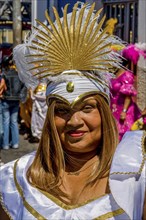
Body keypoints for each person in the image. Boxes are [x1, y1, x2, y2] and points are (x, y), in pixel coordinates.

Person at [0, 3, 145, 220]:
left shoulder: (134, 176)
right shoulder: (14, 180)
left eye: (87, 108)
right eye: (62, 110)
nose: (74, 121)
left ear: (104, 114)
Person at [110, 58, 141, 140]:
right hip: (113, 108)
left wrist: (124, 111)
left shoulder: (127, 75)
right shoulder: (113, 74)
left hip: (124, 109)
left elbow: (128, 95)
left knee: (124, 132)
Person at [1, 56, 27, 149]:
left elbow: (2, 86)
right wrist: (21, 96)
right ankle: (15, 143)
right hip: (16, 100)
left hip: (6, 99)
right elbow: (24, 86)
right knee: (14, 122)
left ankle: (5, 144)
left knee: (6, 122)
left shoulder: (5, 73)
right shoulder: (19, 74)